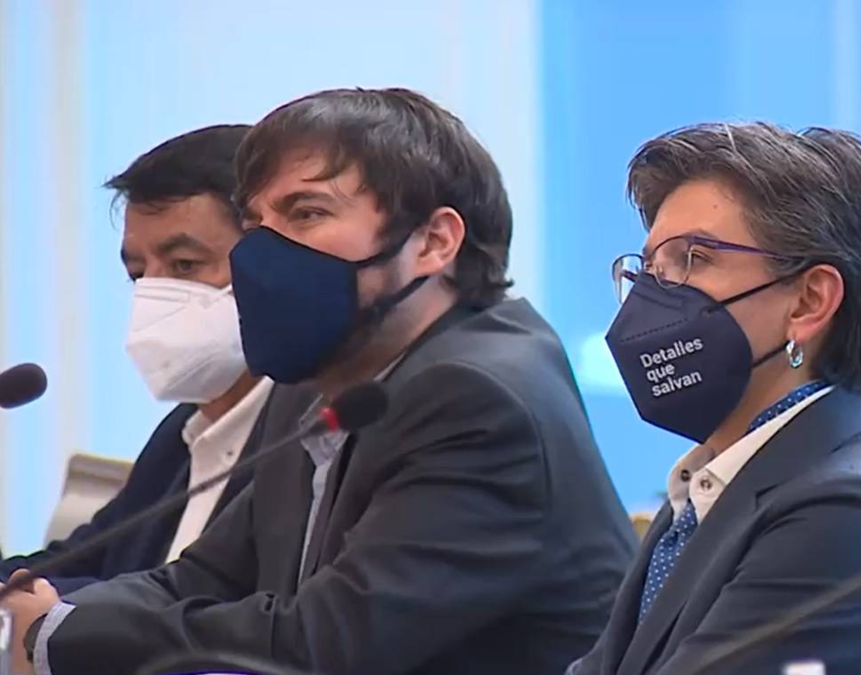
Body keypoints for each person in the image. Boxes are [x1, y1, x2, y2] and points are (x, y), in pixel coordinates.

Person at [7, 88, 636, 675]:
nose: (264, 254)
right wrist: (45, 615)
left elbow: (326, 642)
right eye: (256, 223)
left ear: (434, 241)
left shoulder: (478, 397)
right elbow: (201, 578)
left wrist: (65, 632)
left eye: (306, 213)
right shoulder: (327, 375)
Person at [570, 122, 861, 674]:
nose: (652, 296)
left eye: (693, 259)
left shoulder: (844, 511)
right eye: (651, 269)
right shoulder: (708, 487)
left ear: (808, 302)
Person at [0, 124, 269, 594]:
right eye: (139, 273)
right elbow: (66, 566)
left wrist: (52, 613)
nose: (154, 295)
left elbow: (224, 614)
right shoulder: (181, 435)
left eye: (184, 265)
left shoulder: (307, 441)